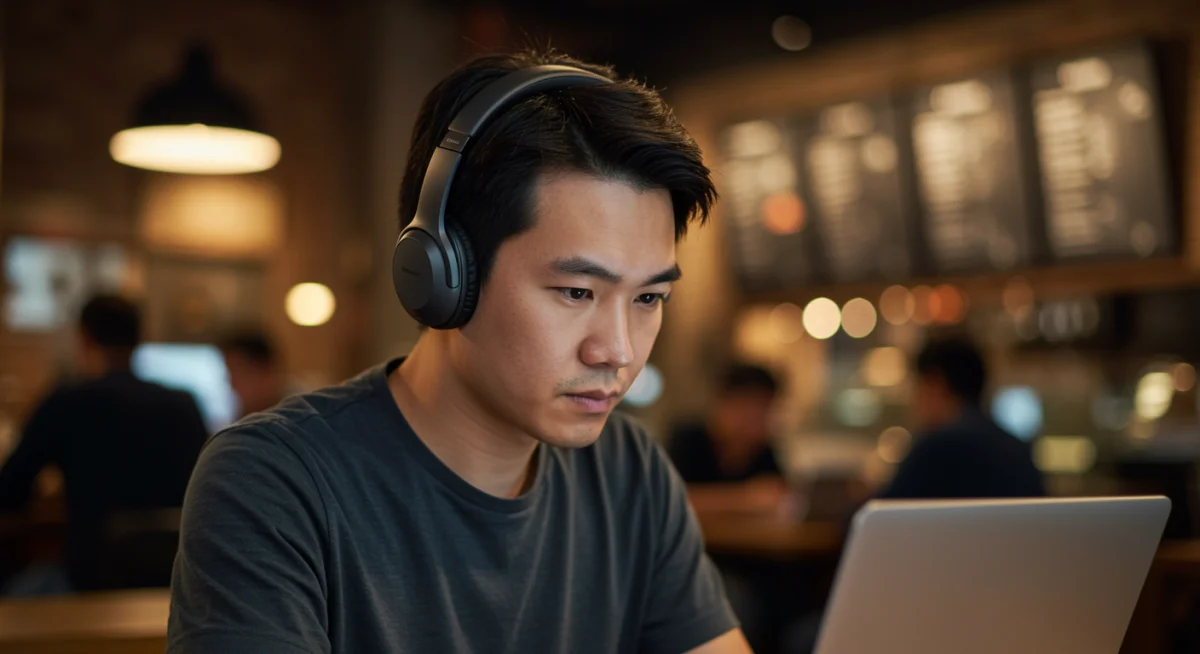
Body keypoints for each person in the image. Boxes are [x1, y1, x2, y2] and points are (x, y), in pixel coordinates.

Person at [168, 49, 751, 654]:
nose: (619, 351)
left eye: (649, 298)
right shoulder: (275, 480)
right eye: (577, 292)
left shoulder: (628, 475)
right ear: (444, 274)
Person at [0, 294, 209, 593]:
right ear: (139, 340)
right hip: (176, 581)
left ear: (84, 340)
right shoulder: (184, 404)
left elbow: (10, 491)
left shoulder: (66, 402)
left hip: (88, 582)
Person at [877, 336, 1045, 500]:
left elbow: (880, 512)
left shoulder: (935, 449)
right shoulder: (1017, 450)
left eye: (916, 387)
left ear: (935, 384)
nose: (913, 402)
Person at [667, 363, 787, 514]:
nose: (756, 421)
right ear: (722, 404)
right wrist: (746, 498)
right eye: (746, 409)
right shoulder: (689, 440)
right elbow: (669, 499)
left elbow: (779, 494)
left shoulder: (764, 450)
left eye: (764, 411)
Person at [219, 328, 286, 419]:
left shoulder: (298, 415)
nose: (232, 384)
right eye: (230, 374)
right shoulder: (242, 417)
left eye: (239, 374)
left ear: (266, 371)